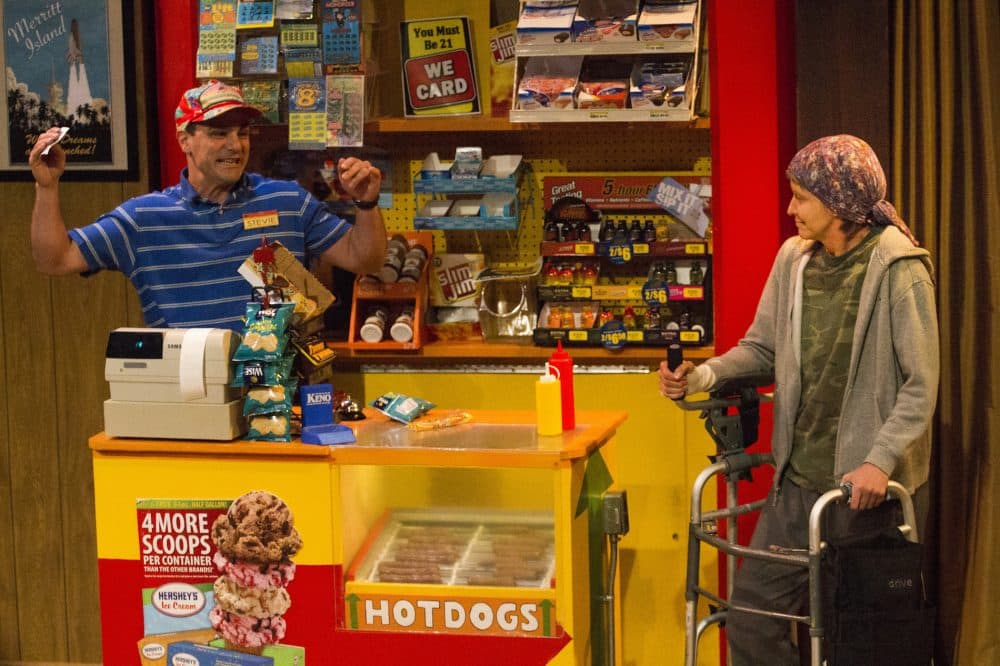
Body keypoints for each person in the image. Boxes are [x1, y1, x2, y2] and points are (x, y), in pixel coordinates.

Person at [660, 135, 939, 664]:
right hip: (796, 488)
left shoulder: (900, 269)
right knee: (750, 624)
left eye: (801, 197)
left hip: (864, 495)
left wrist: (879, 462)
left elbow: (920, 383)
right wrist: (703, 376)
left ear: (839, 204)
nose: (790, 209)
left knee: (855, 641)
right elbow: (762, 347)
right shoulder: (795, 259)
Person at [28, 79, 386, 331]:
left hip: (281, 404)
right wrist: (47, 188)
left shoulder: (287, 201)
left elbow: (365, 259)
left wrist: (367, 204)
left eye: (242, 133)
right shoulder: (144, 218)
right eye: (219, 133)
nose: (235, 145)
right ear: (185, 140)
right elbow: (54, 259)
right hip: (190, 406)